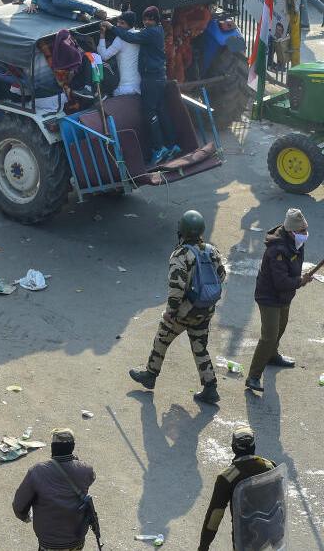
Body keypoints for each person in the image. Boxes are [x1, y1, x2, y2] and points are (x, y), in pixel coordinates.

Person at [129, 210, 227, 404]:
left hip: (184, 312)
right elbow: (221, 276)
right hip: (205, 310)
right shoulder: (211, 250)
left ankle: (150, 375)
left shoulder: (180, 255)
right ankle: (210, 387)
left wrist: (170, 313)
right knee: (200, 347)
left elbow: (176, 289)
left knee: (162, 338)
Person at [246, 208, 311, 392]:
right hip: (269, 297)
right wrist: (300, 281)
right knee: (269, 336)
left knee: (280, 328)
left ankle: (272, 356)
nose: (305, 235)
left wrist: (298, 281)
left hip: (284, 295)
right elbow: (281, 281)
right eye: (302, 232)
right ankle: (253, 376)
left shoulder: (295, 243)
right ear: (291, 231)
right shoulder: (277, 250)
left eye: (305, 230)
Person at [111, 5, 179, 165]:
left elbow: (131, 38)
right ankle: (171, 145)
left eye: (149, 19)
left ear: (155, 20)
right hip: (160, 77)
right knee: (161, 111)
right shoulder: (158, 30)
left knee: (150, 113)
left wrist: (112, 28)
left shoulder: (151, 33)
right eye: (144, 19)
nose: (146, 22)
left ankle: (158, 148)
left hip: (150, 79)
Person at [12, 429, 97, 551]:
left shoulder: (37, 472)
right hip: (77, 539)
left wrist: (25, 516)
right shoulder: (86, 470)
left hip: (49, 543)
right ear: (72, 447)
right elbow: (91, 478)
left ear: (53, 448)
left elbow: (19, 505)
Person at [198, 426, 278, 549]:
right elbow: (279, 504)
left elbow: (215, 515)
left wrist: (203, 547)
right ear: (254, 446)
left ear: (234, 447)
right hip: (270, 537)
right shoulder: (269, 467)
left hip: (244, 540)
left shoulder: (227, 478)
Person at [96, 11, 141, 96]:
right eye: (118, 22)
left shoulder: (120, 39)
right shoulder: (139, 35)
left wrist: (102, 35)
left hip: (124, 89)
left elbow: (104, 56)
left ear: (130, 25)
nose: (118, 25)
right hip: (139, 88)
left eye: (122, 23)